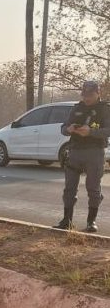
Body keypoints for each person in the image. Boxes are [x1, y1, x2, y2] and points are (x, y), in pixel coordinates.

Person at [55, 80, 110, 232]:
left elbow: (108, 130)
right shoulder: (77, 108)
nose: (87, 98)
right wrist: (69, 129)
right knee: (69, 188)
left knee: (93, 188)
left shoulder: (104, 109)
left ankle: (91, 222)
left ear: (98, 93)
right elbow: (63, 128)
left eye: (90, 95)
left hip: (95, 153)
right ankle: (67, 221)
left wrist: (90, 132)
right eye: (85, 95)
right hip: (75, 151)